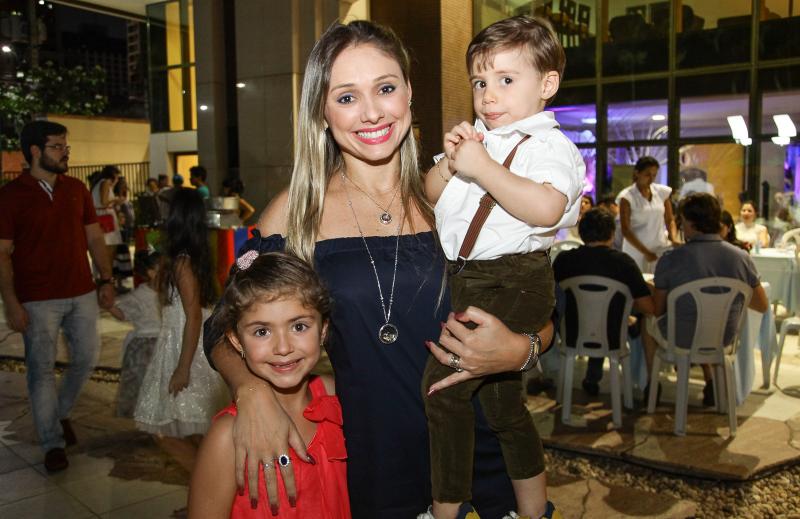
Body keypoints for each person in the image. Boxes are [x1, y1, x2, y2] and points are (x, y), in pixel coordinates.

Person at [202, 20, 555, 518]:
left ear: (408, 93)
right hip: (380, 464)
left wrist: (521, 349)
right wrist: (251, 390)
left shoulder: (464, 194)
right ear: (321, 112)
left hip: (488, 454)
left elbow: (541, 312)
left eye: (385, 88)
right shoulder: (296, 214)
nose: (371, 112)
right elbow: (221, 327)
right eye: (347, 97)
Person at [422, 15, 584, 519]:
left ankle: (445, 510)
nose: (488, 95)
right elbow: (430, 194)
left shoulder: (548, 145)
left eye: (506, 80)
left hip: (513, 278)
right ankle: (532, 512)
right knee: (503, 407)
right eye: (480, 82)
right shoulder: (481, 141)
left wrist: (484, 168)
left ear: (547, 85)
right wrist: (451, 162)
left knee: (442, 391)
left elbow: (546, 209)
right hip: (472, 278)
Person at [189, 252, 349, 518]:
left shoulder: (335, 396)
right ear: (236, 340)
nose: (283, 347)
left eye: (299, 326)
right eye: (262, 331)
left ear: (323, 330)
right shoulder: (226, 437)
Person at [0, 120, 115, 471]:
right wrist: (11, 302)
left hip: (81, 291)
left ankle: (59, 412)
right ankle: (52, 443)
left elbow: (94, 237)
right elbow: (2, 253)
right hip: (36, 298)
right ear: (35, 151)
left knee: (86, 357)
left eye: (66, 147)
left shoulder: (76, 189)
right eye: (57, 147)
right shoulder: (11, 196)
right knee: (41, 370)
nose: (65, 153)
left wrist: (106, 278)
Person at [643, 193, 769, 406]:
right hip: (723, 338)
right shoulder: (741, 258)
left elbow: (658, 309)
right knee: (703, 323)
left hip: (680, 339)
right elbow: (762, 305)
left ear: (690, 223)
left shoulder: (672, 259)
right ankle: (711, 382)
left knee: (649, 321)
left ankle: (651, 383)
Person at [134, 188, 226, 468]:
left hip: (188, 349)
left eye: (166, 209)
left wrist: (183, 367)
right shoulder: (185, 257)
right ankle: (206, 488)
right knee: (193, 432)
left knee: (172, 432)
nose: (160, 214)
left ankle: (206, 487)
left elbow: (194, 316)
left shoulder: (183, 262)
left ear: (177, 216)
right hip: (180, 344)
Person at [553, 207, 655, 396]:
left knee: (594, 317)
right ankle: (645, 383)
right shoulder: (624, 263)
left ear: (581, 233)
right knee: (638, 321)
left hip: (570, 333)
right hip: (612, 334)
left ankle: (586, 377)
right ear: (612, 234)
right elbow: (648, 307)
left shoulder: (564, 261)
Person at [108, 249, 161, 417]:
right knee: (143, 383)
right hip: (144, 345)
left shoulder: (169, 292)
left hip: (164, 341)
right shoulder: (139, 295)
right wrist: (110, 306)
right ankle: (145, 415)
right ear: (151, 273)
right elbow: (123, 313)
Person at [617, 156, 677, 273]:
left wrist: (673, 238)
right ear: (637, 173)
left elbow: (669, 219)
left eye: (654, 175)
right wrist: (646, 252)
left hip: (659, 248)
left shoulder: (662, 192)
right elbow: (626, 230)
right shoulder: (627, 197)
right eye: (647, 175)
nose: (651, 179)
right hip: (636, 251)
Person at [91, 165, 125, 265]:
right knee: (109, 248)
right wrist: (116, 199)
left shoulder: (100, 183)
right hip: (106, 217)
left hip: (103, 216)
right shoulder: (105, 183)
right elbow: (104, 202)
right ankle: (107, 271)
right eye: (117, 176)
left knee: (106, 248)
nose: (117, 179)